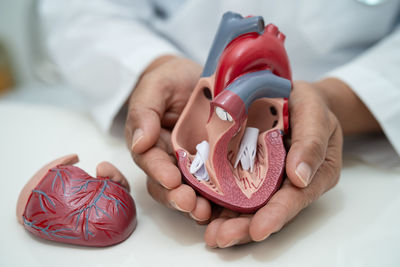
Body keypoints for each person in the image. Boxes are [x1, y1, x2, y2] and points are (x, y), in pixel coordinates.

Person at [38, 0, 400, 248]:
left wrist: (336, 98)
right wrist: (152, 66)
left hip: (360, 125)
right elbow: (83, 9)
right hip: (181, 79)